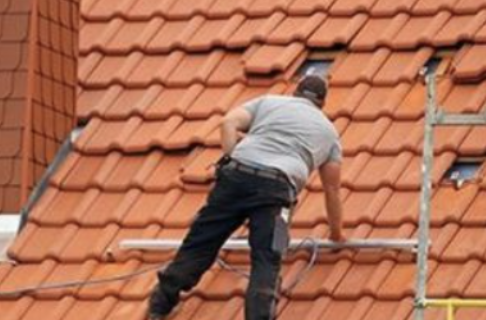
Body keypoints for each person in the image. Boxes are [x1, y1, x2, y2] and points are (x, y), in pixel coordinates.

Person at [148, 75, 345, 320]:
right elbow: (332, 190)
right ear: (323, 102)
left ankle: (159, 305)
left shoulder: (269, 102)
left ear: (295, 92)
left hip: (237, 176)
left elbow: (228, 123)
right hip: (277, 189)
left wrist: (231, 159)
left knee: (202, 241)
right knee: (267, 257)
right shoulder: (329, 133)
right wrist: (337, 234)